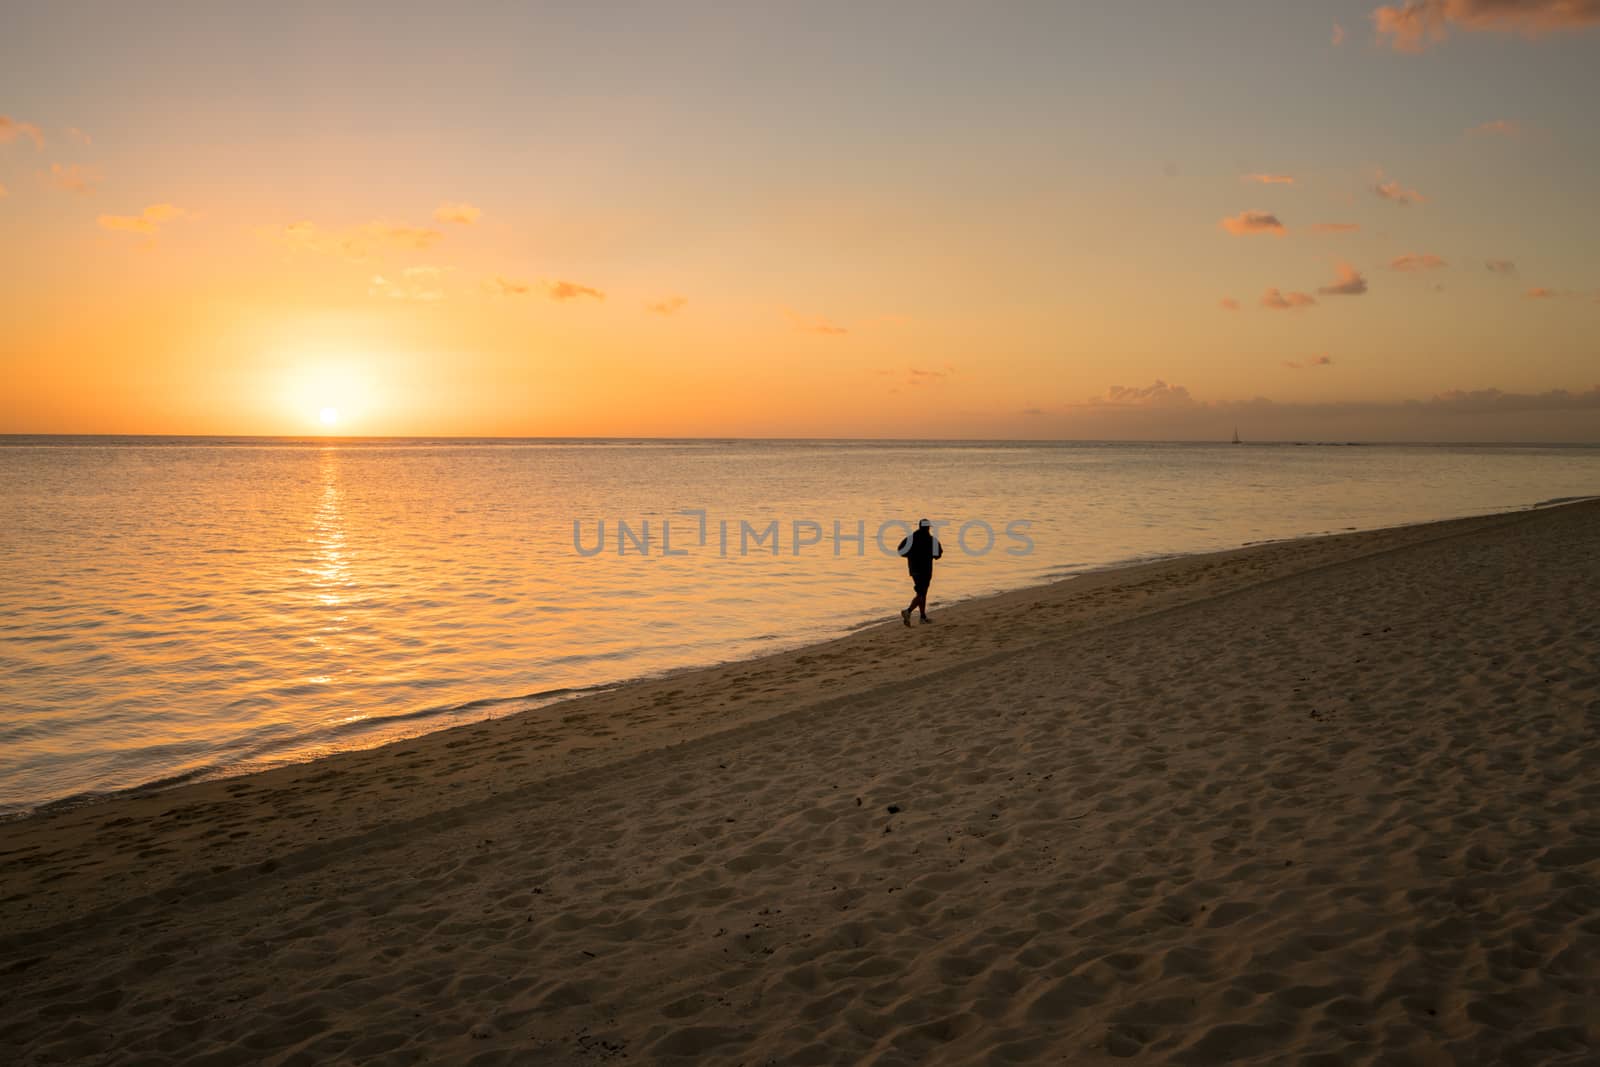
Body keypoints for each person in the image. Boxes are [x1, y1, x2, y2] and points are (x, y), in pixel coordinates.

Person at [897, 518, 943, 626]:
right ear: (928, 528)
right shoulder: (931, 540)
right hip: (925, 570)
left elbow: (900, 550)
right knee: (922, 593)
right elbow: (938, 555)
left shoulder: (910, 539)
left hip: (914, 569)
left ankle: (922, 617)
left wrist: (909, 555)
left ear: (919, 526)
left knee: (921, 592)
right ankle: (908, 611)